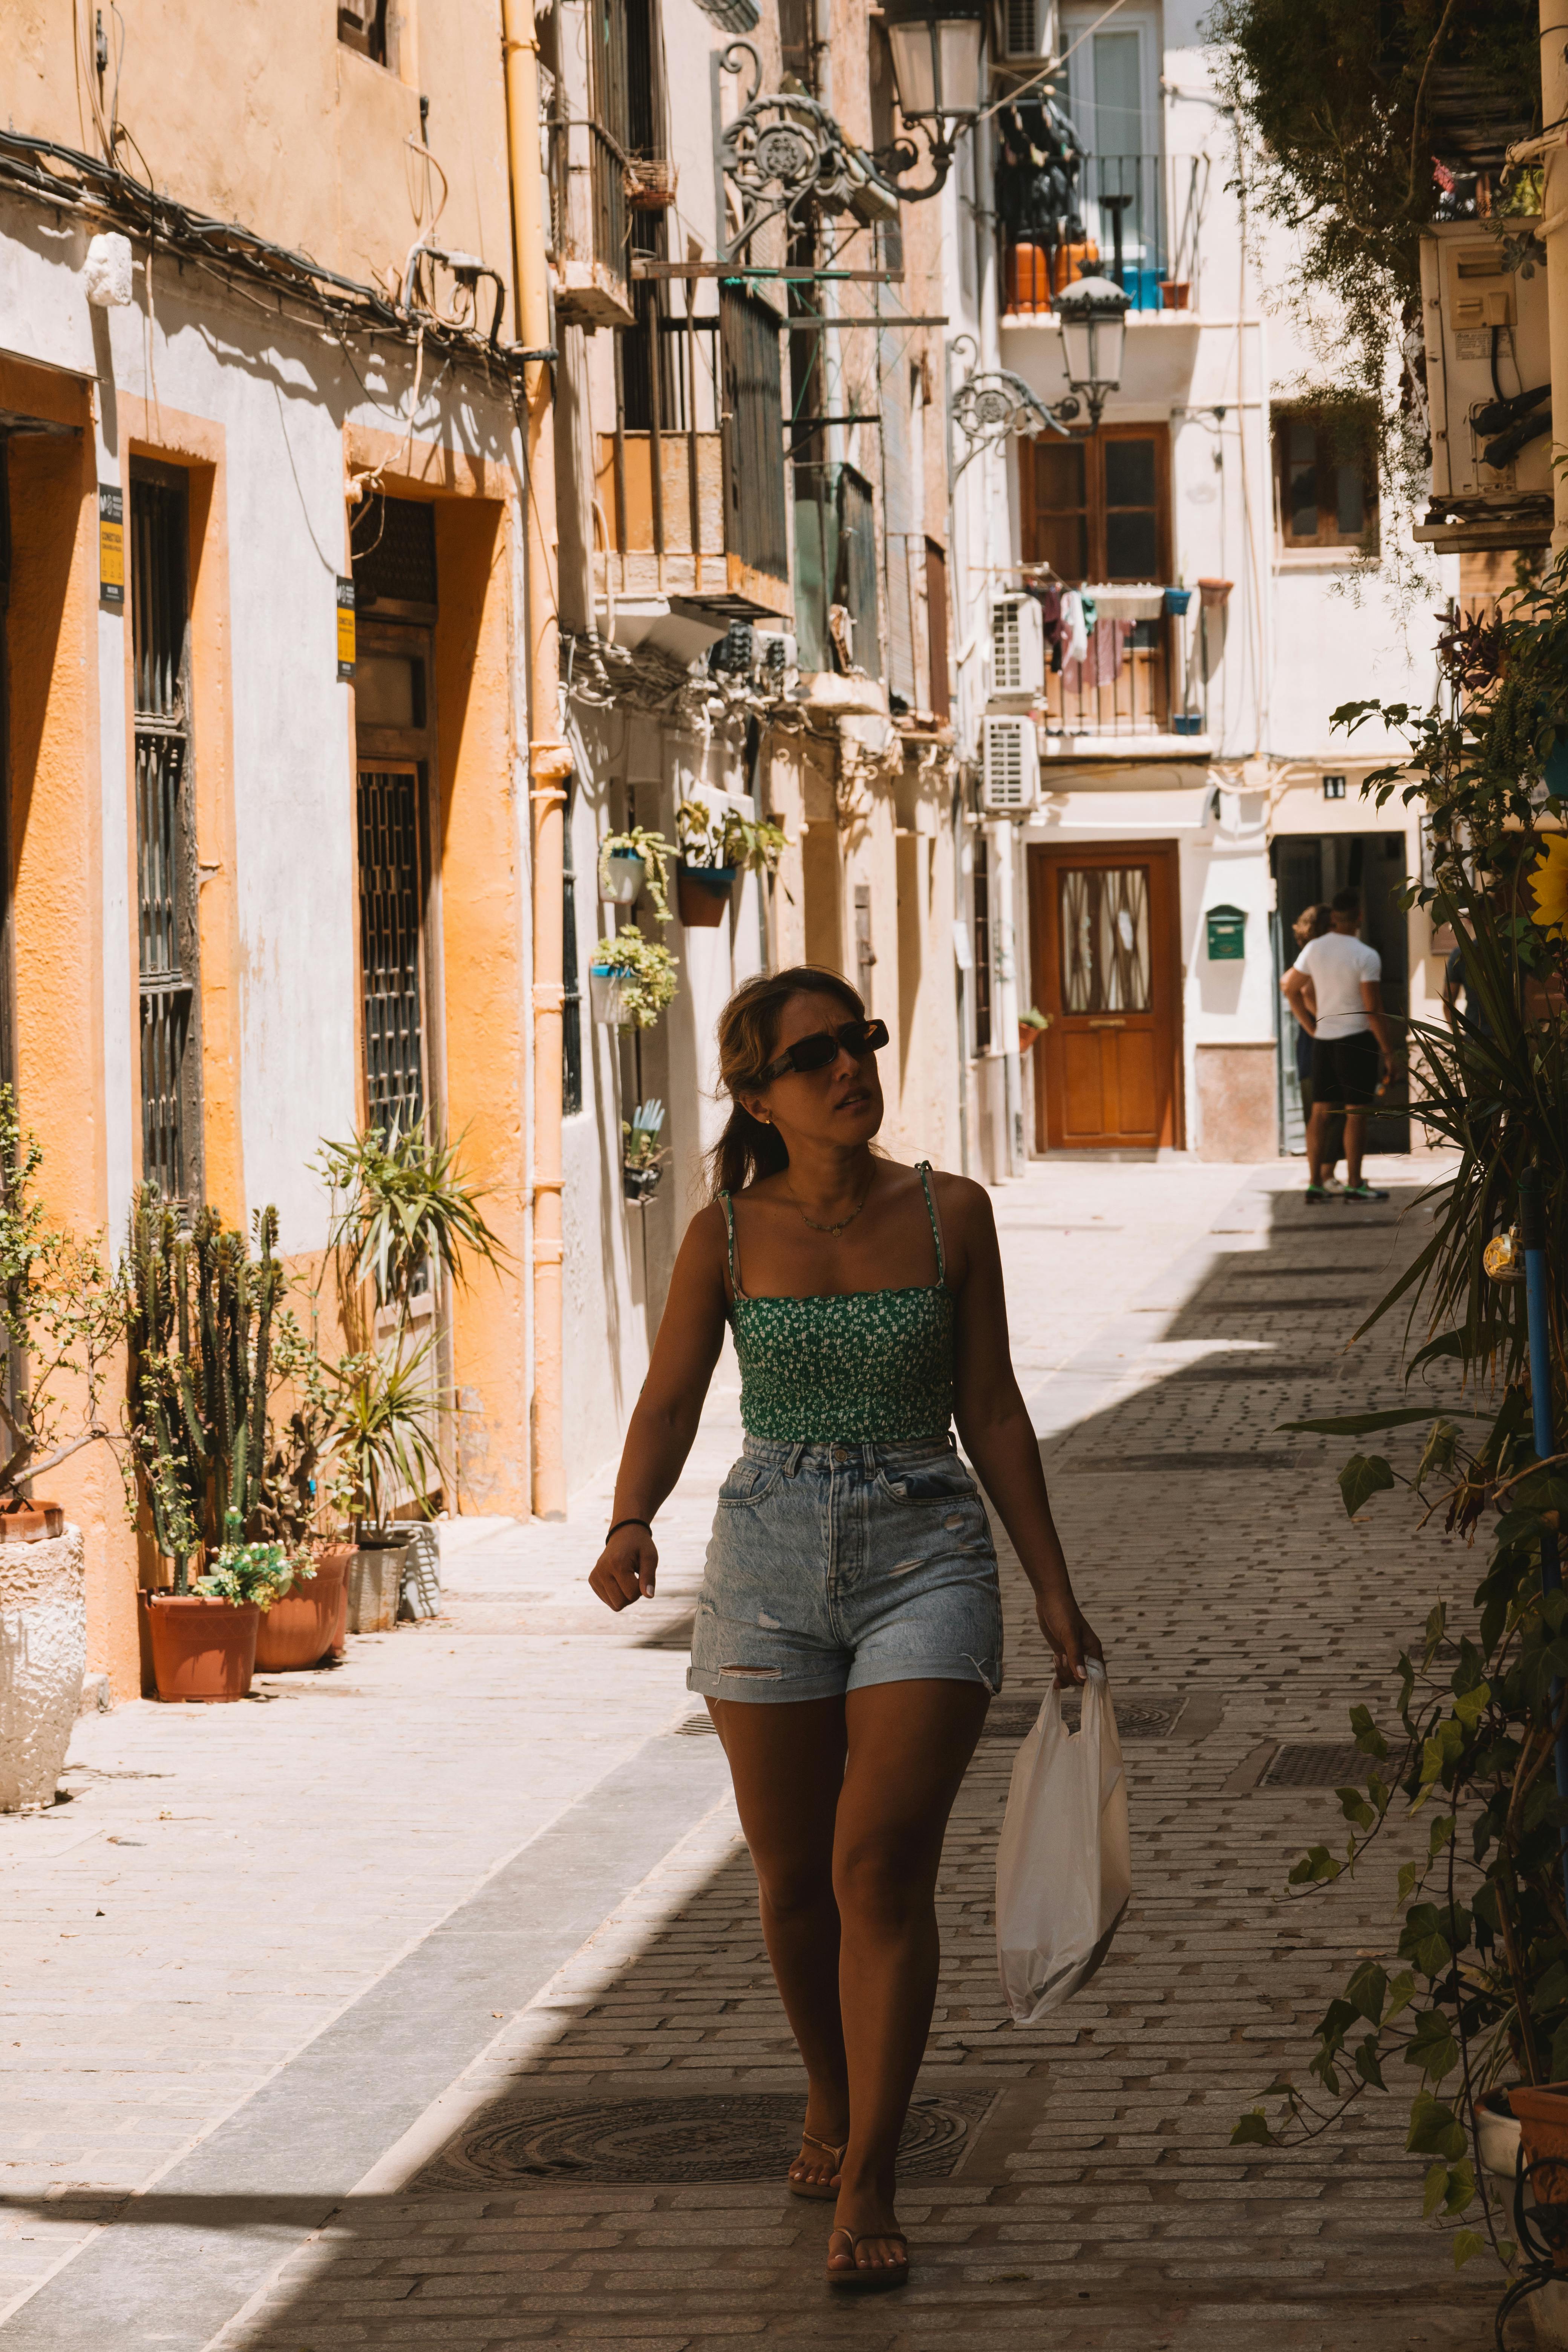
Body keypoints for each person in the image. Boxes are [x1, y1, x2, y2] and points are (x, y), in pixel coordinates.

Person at [588, 965, 1102, 2296]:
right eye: (813, 1056)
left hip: (925, 1547)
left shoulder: (952, 1217)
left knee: (876, 1865)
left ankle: (872, 2166)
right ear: (760, 1095)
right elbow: (671, 1396)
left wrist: (1048, 1581)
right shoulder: (724, 1232)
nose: (849, 1068)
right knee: (791, 1876)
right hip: (765, 1561)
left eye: (859, 1042)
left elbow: (990, 1408)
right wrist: (630, 1519)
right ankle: (829, 2091)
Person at [1280, 887, 1396, 1203]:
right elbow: (1372, 1008)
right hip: (1355, 1039)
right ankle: (1355, 1183)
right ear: (1359, 917)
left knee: (1320, 1113)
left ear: (1333, 917)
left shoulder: (1315, 949)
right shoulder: (1366, 955)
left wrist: (1311, 1026)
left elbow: (1290, 988)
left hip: (1325, 1041)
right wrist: (1389, 1052)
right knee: (1356, 1112)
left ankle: (1316, 1183)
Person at [1283, 903, 1341, 1184]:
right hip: (1319, 1041)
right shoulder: (1315, 955)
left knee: (1325, 1109)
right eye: (1331, 924)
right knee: (1325, 1109)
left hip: (1317, 1039)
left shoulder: (1316, 954)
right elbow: (1301, 990)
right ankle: (1323, 1174)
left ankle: (1322, 1175)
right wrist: (1321, 1023)